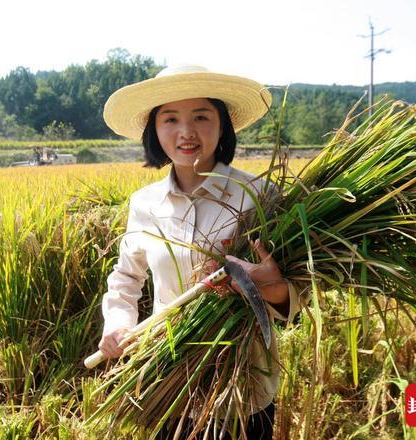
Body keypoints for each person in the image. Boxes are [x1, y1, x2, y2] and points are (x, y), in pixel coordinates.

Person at [98, 65, 302, 439]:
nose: (186, 131)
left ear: (222, 125)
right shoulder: (144, 204)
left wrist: (270, 286)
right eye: (170, 118)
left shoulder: (259, 197)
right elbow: (125, 279)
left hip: (242, 386)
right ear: (154, 130)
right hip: (166, 379)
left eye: (201, 117)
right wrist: (118, 324)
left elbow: (296, 294)